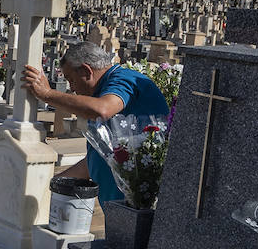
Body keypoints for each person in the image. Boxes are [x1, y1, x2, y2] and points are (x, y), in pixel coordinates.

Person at [20, 42, 169, 203]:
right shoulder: (102, 91)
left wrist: (47, 94)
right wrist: (48, 186)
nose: (72, 88)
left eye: (71, 80)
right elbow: (96, 160)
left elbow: (102, 110)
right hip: (118, 206)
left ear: (86, 71)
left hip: (139, 204)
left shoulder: (123, 79)